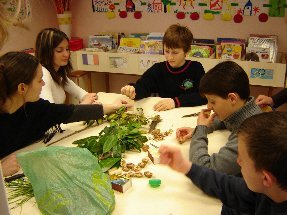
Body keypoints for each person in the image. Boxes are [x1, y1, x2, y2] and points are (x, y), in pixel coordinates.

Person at [0, 52, 133, 177]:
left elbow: (70, 112)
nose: (44, 84)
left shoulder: (34, 107)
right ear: (22, 88)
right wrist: (1, 170)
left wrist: (113, 107)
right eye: (40, 80)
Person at [159, 111, 287, 214]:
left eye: (242, 159)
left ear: (265, 178)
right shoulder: (265, 190)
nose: (237, 161)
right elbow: (228, 186)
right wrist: (186, 167)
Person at [176, 61, 262, 175]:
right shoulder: (246, 108)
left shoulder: (248, 134)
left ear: (232, 98)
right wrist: (200, 129)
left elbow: (204, 169)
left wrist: (200, 130)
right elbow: (228, 121)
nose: (209, 107)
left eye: (212, 102)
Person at [121, 24, 206, 111]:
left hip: (187, 113)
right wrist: (132, 90)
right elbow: (143, 87)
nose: (170, 57)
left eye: (175, 53)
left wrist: (175, 102)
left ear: (187, 51)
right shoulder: (158, 69)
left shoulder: (196, 68)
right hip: (165, 114)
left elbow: (203, 96)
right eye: (166, 51)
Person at [35, 28, 97, 104]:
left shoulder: (57, 73)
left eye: (67, 49)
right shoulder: (43, 74)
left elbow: (81, 94)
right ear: (46, 52)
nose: (66, 54)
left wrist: (90, 98)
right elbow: (49, 113)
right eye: (59, 50)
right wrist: (85, 103)